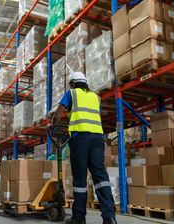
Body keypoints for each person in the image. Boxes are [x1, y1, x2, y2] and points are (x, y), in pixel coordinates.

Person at [51, 72, 117, 224]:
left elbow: (59, 113)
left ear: (73, 83)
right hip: (97, 139)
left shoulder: (72, 93)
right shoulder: (95, 97)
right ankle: (110, 217)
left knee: (80, 179)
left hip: (80, 139)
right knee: (101, 178)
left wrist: (53, 125)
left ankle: (78, 218)